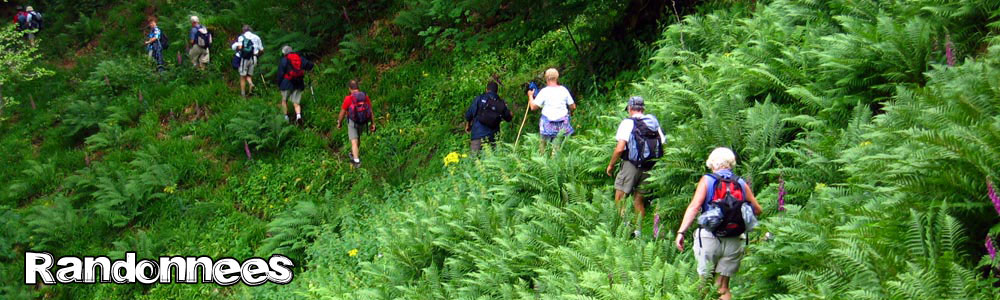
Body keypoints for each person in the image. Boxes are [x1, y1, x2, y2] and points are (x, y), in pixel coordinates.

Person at [674, 147, 763, 300]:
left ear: (712, 163)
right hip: (735, 239)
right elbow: (757, 209)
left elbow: (695, 207)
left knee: (704, 285)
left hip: (709, 238)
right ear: (731, 163)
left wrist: (681, 232)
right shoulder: (740, 182)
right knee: (723, 287)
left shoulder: (707, 180)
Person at [605, 96, 665, 237]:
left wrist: (611, 165)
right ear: (643, 109)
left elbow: (620, 149)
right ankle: (638, 233)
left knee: (620, 197)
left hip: (630, 165)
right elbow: (663, 143)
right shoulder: (652, 122)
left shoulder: (627, 123)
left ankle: (625, 230)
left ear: (630, 109)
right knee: (639, 200)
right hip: (649, 166)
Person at [527, 68, 576, 152]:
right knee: (556, 147)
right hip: (562, 124)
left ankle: (542, 158)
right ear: (557, 78)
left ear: (546, 78)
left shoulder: (544, 92)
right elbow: (573, 106)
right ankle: (555, 158)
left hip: (547, 124)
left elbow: (533, 107)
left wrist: (530, 96)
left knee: (543, 145)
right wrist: (571, 113)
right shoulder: (563, 90)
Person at [465, 81, 513, 155]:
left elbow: (469, 114)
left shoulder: (479, 98)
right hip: (493, 137)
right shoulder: (501, 103)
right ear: (497, 91)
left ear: (486, 89)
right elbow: (508, 118)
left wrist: (468, 125)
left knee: (474, 161)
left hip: (478, 135)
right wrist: (510, 113)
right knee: (491, 161)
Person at [337, 80, 376, 168]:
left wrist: (339, 122)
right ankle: (352, 153)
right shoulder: (365, 96)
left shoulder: (348, 98)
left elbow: (342, 112)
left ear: (350, 88)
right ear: (358, 87)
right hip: (362, 121)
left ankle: (356, 161)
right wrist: (373, 123)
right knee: (358, 139)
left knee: (354, 141)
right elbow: (370, 110)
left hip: (352, 122)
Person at [275, 45, 313, 123]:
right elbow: (310, 65)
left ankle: (286, 118)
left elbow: (280, 74)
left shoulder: (284, 60)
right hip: (298, 83)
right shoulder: (299, 58)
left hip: (286, 83)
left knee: (284, 100)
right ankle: (298, 116)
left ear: (284, 53)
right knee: (296, 102)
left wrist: (279, 84)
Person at [231, 25, 263, 98]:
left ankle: (243, 95)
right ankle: (250, 85)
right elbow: (261, 50)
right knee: (249, 75)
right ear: (250, 30)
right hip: (253, 58)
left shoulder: (241, 37)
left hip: (244, 59)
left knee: (242, 77)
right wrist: (258, 55)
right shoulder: (257, 37)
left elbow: (239, 47)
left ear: (243, 30)